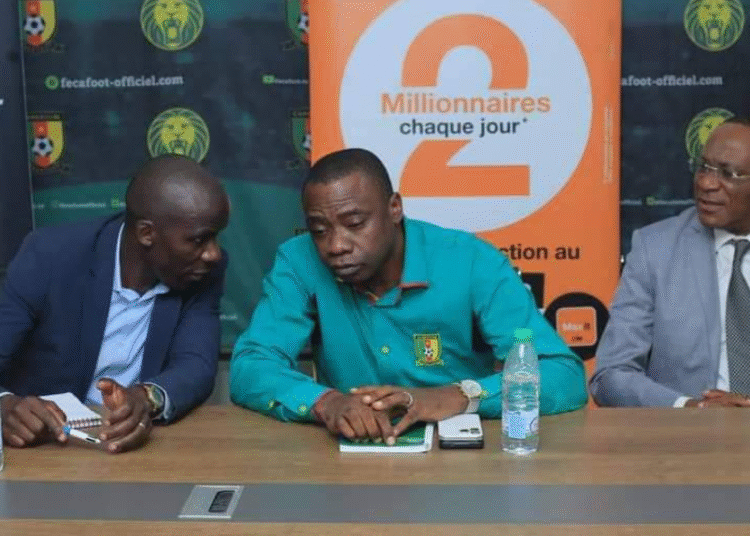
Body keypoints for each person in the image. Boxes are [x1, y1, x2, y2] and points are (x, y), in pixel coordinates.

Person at [230, 148, 586, 444]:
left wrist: (458, 396)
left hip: (462, 459)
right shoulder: (299, 262)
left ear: (394, 208)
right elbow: (251, 365)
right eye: (320, 230)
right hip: (351, 458)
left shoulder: (470, 261)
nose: (336, 245)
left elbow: (563, 375)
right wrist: (325, 402)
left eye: (355, 224)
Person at [0, 154, 230, 453]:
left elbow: (196, 364)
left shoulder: (201, 270)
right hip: (47, 449)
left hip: (134, 453)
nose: (213, 254)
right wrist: (5, 405)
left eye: (216, 238)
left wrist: (146, 398)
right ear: (147, 233)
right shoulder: (49, 255)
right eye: (199, 240)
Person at [590, 117, 750, 408]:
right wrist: (689, 407)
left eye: (728, 174)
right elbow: (611, 376)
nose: (706, 183)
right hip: (687, 432)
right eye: (704, 167)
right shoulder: (656, 249)